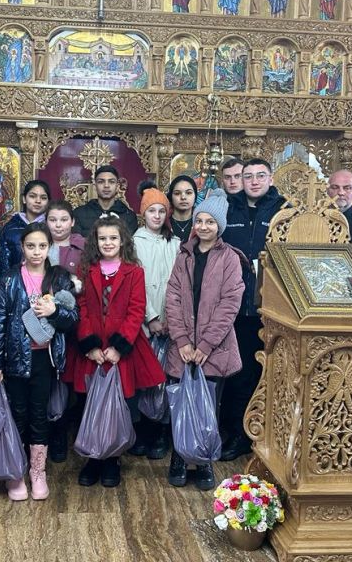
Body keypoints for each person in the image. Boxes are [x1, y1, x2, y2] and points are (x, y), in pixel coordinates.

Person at [0, 223, 79, 501]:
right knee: (17, 415)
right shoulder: (10, 279)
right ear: (22, 248)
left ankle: (38, 472)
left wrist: (54, 311)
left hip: (45, 359)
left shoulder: (59, 277)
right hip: (15, 358)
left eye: (42, 246)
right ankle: (16, 472)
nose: (36, 252)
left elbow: (73, 319)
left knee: (39, 414)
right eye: (30, 246)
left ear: (49, 247)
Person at [74, 216, 166, 487]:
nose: (108, 243)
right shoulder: (86, 269)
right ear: (95, 241)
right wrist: (90, 346)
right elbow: (81, 308)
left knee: (118, 405)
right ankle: (93, 458)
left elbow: (136, 311)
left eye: (113, 238)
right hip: (94, 350)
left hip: (120, 350)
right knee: (91, 402)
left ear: (123, 240)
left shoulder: (134, 271)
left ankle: (112, 459)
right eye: (102, 238)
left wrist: (118, 348)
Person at [165, 189, 245, 489]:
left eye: (210, 222)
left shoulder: (229, 258)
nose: (203, 226)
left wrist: (206, 345)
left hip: (215, 348)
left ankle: (204, 461)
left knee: (209, 407)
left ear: (219, 225)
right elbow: (172, 297)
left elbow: (229, 304)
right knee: (180, 405)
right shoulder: (184, 255)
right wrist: (183, 341)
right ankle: (178, 457)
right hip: (183, 347)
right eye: (199, 221)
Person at [219, 157, 285, 461]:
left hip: (274, 311)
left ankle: (271, 433)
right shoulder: (228, 209)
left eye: (260, 175)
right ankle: (238, 434)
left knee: (270, 374)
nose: (254, 181)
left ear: (270, 179)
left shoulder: (284, 210)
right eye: (248, 176)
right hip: (236, 310)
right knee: (239, 374)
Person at [131, 182, 180, 460]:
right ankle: (142, 431)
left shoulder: (175, 243)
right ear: (143, 213)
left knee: (166, 377)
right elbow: (136, 285)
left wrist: (171, 318)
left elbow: (179, 284)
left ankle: (161, 431)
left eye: (162, 211)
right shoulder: (134, 243)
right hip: (146, 322)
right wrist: (151, 317)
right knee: (144, 377)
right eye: (152, 211)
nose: (157, 216)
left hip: (171, 323)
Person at [43, 200, 85, 462]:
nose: (58, 225)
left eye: (63, 220)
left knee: (72, 377)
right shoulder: (39, 244)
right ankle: (53, 432)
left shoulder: (82, 247)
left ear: (72, 222)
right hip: (44, 322)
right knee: (50, 377)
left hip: (74, 322)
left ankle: (72, 430)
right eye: (53, 220)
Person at [0, 180, 50, 275]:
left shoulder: (52, 227)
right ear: (24, 199)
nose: (38, 201)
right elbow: (3, 264)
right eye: (32, 196)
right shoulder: (9, 228)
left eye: (43, 198)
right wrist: (9, 282)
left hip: (47, 282)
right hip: (16, 282)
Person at [73, 165, 138, 237]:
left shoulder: (129, 216)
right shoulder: (79, 213)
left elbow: (128, 243)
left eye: (111, 182)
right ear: (95, 186)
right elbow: (76, 242)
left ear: (117, 186)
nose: (106, 185)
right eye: (101, 182)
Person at [168, 175, 198, 243]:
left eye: (188, 193)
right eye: (177, 193)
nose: (183, 197)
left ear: (195, 196)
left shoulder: (201, 223)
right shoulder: (163, 223)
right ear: (171, 196)